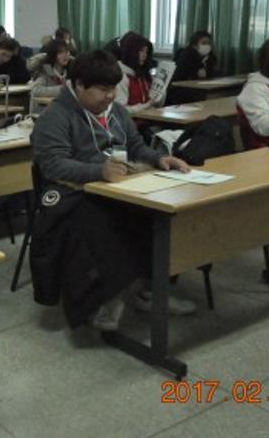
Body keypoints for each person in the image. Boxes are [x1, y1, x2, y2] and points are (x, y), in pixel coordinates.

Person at [30, 50, 194, 332]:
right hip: (75, 192)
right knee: (103, 222)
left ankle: (149, 290)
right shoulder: (55, 116)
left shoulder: (116, 111)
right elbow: (53, 165)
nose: (110, 96)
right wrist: (99, 171)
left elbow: (136, 145)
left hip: (118, 186)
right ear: (79, 85)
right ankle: (101, 300)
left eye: (113, 89)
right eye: (103, 89)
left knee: (161, 217)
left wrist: (159, 159)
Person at [168, 30, 218, 104]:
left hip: (200, 89)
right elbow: (181, 77)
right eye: (204, 43)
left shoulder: (211, 58)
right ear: (194, 45)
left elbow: (211, 75)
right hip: (181, 91)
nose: (207, 46)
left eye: (208, 43)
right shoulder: (186, 56)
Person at [114, 31, 157, 112]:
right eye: (141, 51)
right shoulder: (121, 77)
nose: (144, 55)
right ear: (131, 52)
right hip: (132, 119)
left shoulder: (144, 75)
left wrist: (161, 91)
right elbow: (121, 110)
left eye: (146, 51)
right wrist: (147, 105)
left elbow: (157, 103)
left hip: (149, 117)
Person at [27, 39, 71, 112]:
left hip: (61, 109)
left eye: (67, 52)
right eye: (60, 52)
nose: (65, 55)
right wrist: (62, 89)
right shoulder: (45, 70)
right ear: (53, 55)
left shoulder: (69, 70)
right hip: (43, 110)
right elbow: (36, 90)